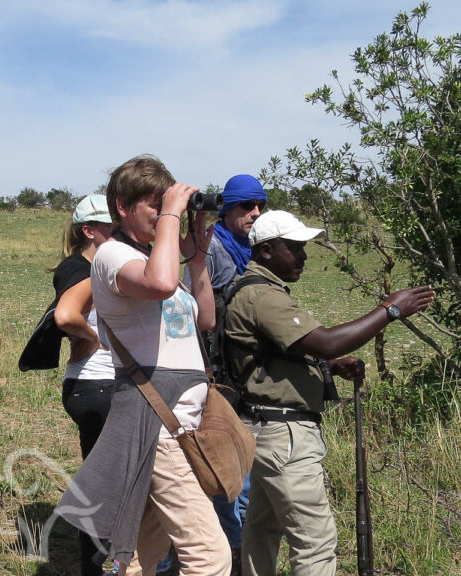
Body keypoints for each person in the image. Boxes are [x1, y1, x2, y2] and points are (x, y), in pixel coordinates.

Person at [223, 210, 435, 576]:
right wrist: (391, 309)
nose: (303, 257)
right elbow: (327, 342)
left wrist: (329, 367)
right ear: (267, 250)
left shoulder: (252, 289)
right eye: (295, 248)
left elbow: (274, 355)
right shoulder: (264, 296)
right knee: (314, 541)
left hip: (261, 429)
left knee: (262, 529)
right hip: (284, 436)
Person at [56, 155, 231, 576]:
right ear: (122, 206)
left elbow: (204, 318)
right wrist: (173, 213)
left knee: (139, 554)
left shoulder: (156, 260)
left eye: (163, 204)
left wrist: (198, 257)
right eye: (153, 204)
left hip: (178, 423)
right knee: (211, 558)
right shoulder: (113, 256)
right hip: (158, 426)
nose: (162, 214)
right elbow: (159, 284)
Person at [184, 173, 267, 576]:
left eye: (259, 207)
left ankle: (237, 549)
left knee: (243, 464)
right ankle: (227, 552)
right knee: (224, 468)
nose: (254, 213)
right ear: (228, 209)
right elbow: (199, 315)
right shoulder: (213, 248)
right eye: (246, 207)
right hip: (218, 372)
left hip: (243, 369)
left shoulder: (250, 246)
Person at [51, 194, 115, 576]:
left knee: (103, 478)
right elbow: (65, 315)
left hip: (95, 385)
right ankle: (95, 567)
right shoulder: (78, 267)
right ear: (89, 231)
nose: (119, 232)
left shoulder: (97, 265)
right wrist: (92, 338)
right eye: (112, 226)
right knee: (104, 483)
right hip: (97, 384)